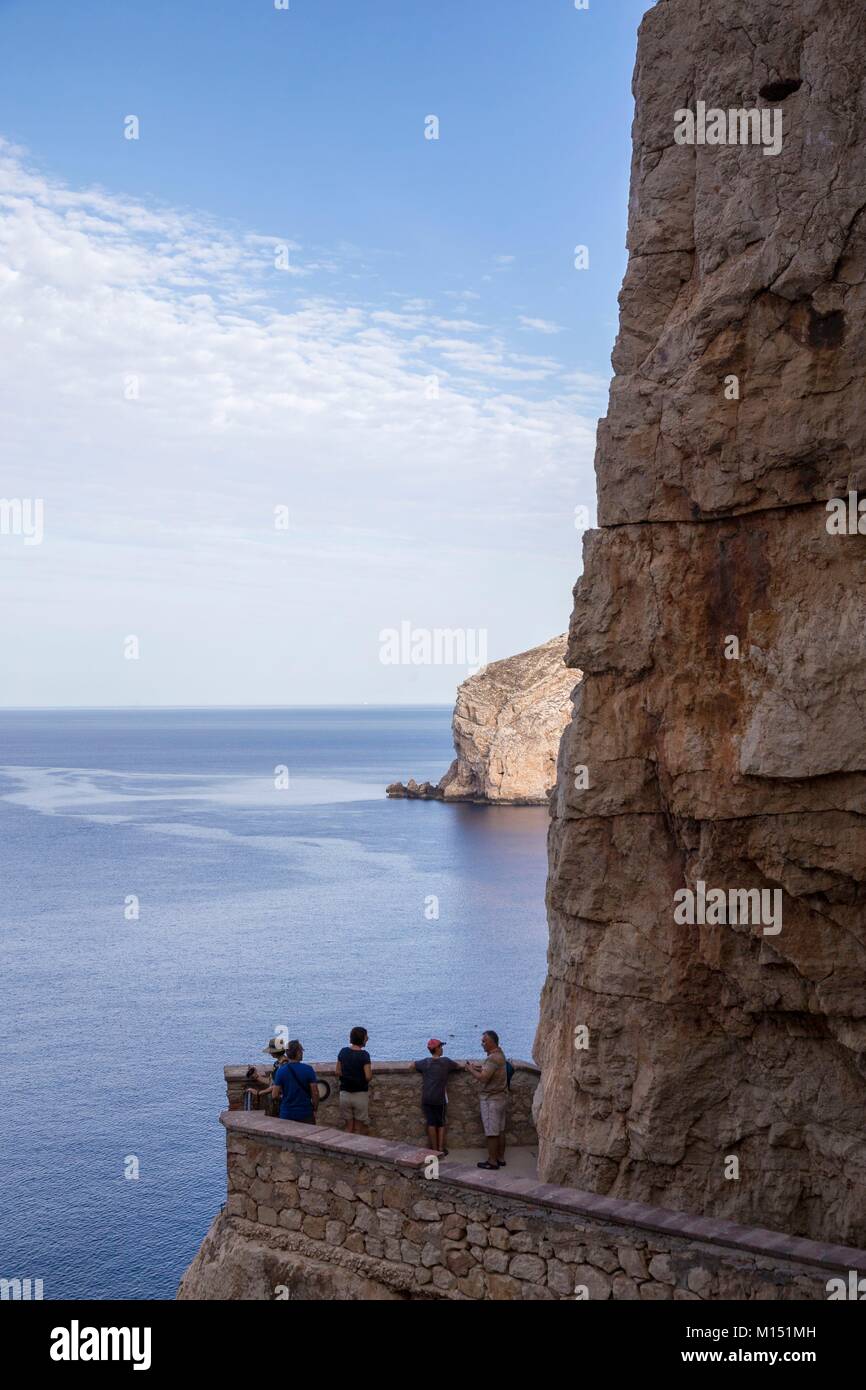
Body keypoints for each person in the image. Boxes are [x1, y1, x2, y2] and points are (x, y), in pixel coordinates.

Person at [467, 1029, 508, 1169]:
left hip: (491, 1100)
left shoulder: (492, 1058)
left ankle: (492, 1161)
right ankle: (501, 1158)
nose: (482, 1043)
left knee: (492, 1132)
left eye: (484, 1041)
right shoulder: (500, 1055)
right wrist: (477, 1067)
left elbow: (484, 1078)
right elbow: (489, 1069)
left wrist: (469, 1069)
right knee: (500, 1130)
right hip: (501, 1098)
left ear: (492, 1042)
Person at [414, 1038, 461, 1155]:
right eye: (441, 1047)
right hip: (440, 1098)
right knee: (440, 1123)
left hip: (427, 1097)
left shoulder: (424, 1062)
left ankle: (433, 1150)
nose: (442, 1049)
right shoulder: (446, 1062)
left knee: (431, 1123)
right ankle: (440, 1149)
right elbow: (458, 1066)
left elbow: (412, 1065)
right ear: (438, 1049)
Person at [270, 1040, 319, 1125]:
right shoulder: (308, 1069)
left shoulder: (281, 1071)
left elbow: (274, 1095)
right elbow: (315, 1092)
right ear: (298, 1053)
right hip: (305, 1113)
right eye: (301, 1051)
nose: (302, 1053)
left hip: (287, 1113)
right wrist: (315, 1108)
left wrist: (284, 1098)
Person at [336, 1026, 372, 1134]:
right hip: (360, 1095)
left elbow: (337, 1071)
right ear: (362, 1039)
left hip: (345, 1094)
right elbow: (368, 1076)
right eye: (366, 1037)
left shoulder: (343, 1052)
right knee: (357, 1129)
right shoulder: (364, 1055)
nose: (368, 1039)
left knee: (348, 1128)